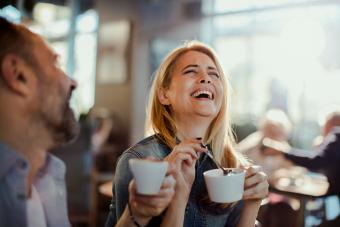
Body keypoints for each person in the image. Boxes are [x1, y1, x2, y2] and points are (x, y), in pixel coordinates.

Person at [106, 41, 268, 227]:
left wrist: (253, 204)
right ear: (164, 94)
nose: (206, 78)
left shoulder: (232, 165)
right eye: (191, 71)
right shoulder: (140, 162)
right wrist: (179, 195)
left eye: (214, 74)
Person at [0, 17, 79, 227]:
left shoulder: (46, 177)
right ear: (18, 76)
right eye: (55, 62)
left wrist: (136, 214)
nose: (73, 82)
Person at [238, 109, 293, 176]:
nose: (274, 134)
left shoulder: (285, 149)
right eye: (270, 130)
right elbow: (238, 155)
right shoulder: (253, 141)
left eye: (278, 132)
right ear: (263, 129)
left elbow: (288, 169)